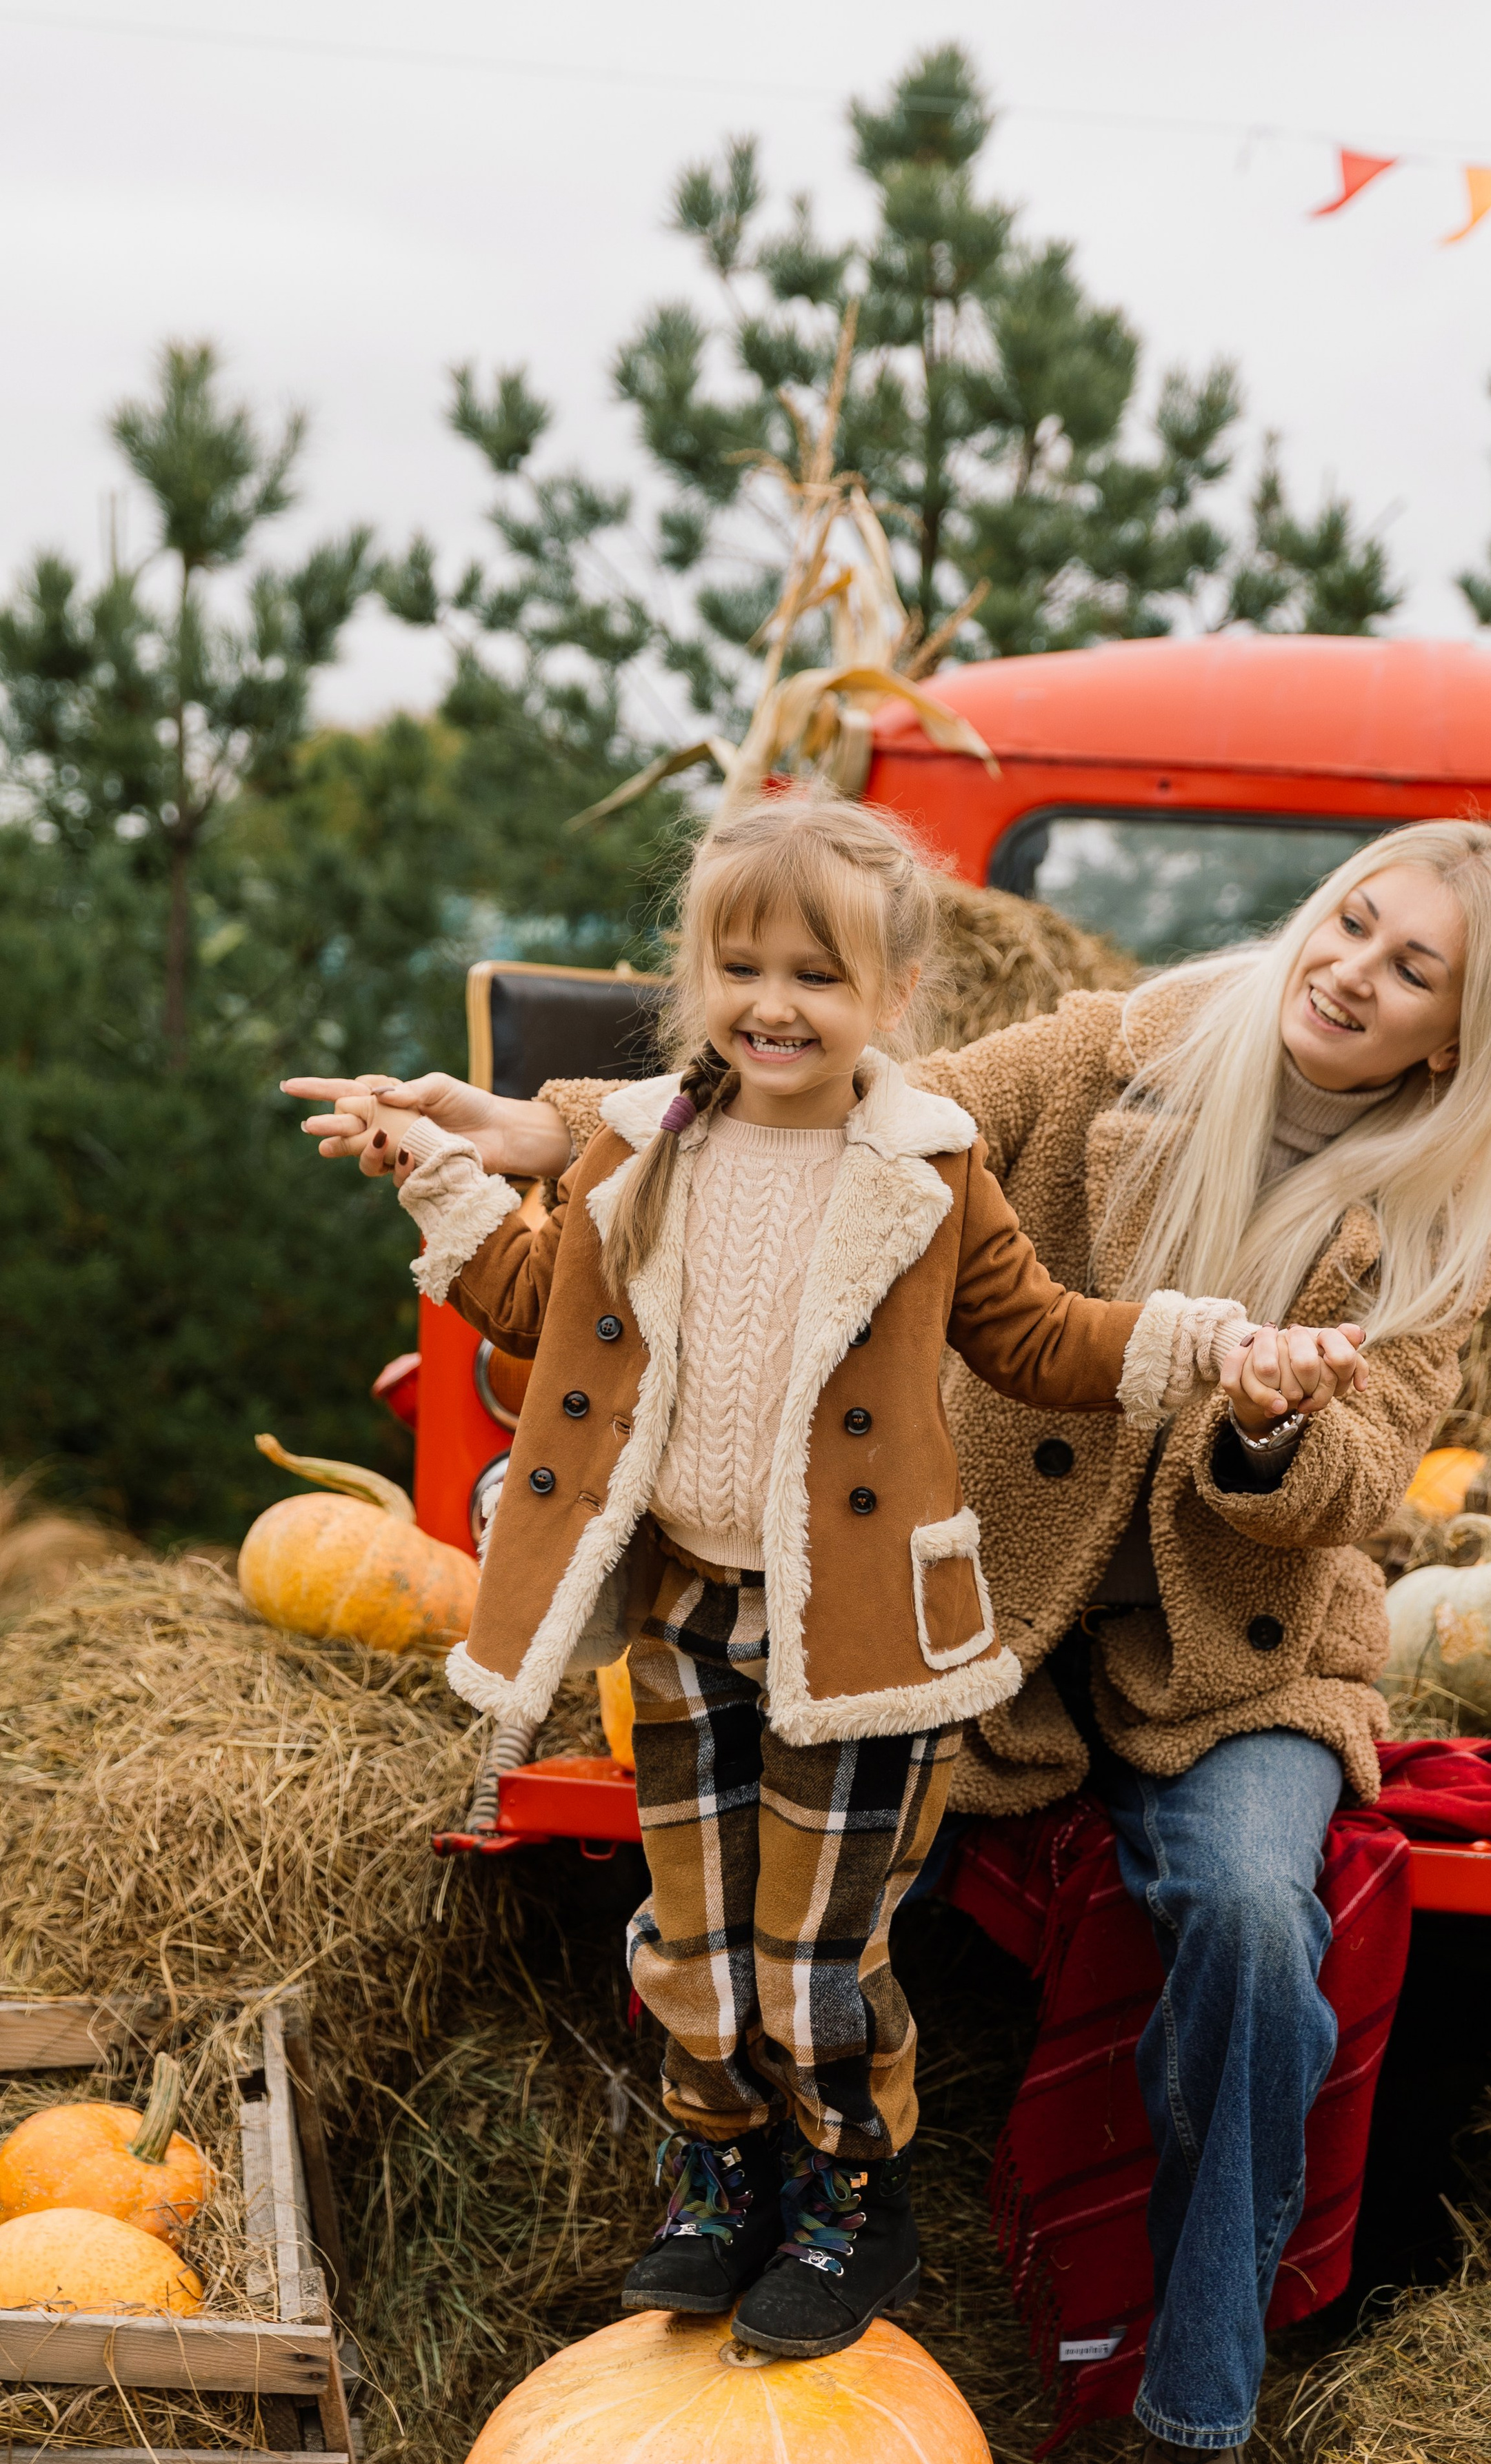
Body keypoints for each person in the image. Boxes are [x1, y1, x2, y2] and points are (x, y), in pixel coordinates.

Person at [288, 790, 1370, 2377]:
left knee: (816, 1952)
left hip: (855, 1624)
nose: (773, 1003)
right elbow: (536, 1304)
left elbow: (1038, 1336)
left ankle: (849, 2197)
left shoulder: (926, 1162)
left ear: (890, 1005)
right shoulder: (638, 1146)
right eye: (741, 967)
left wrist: (1213, 1345)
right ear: (692, 976)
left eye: (816, 976)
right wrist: (436, 1176)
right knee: (690, 1934)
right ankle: (721, 2172)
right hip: (681, 1609)